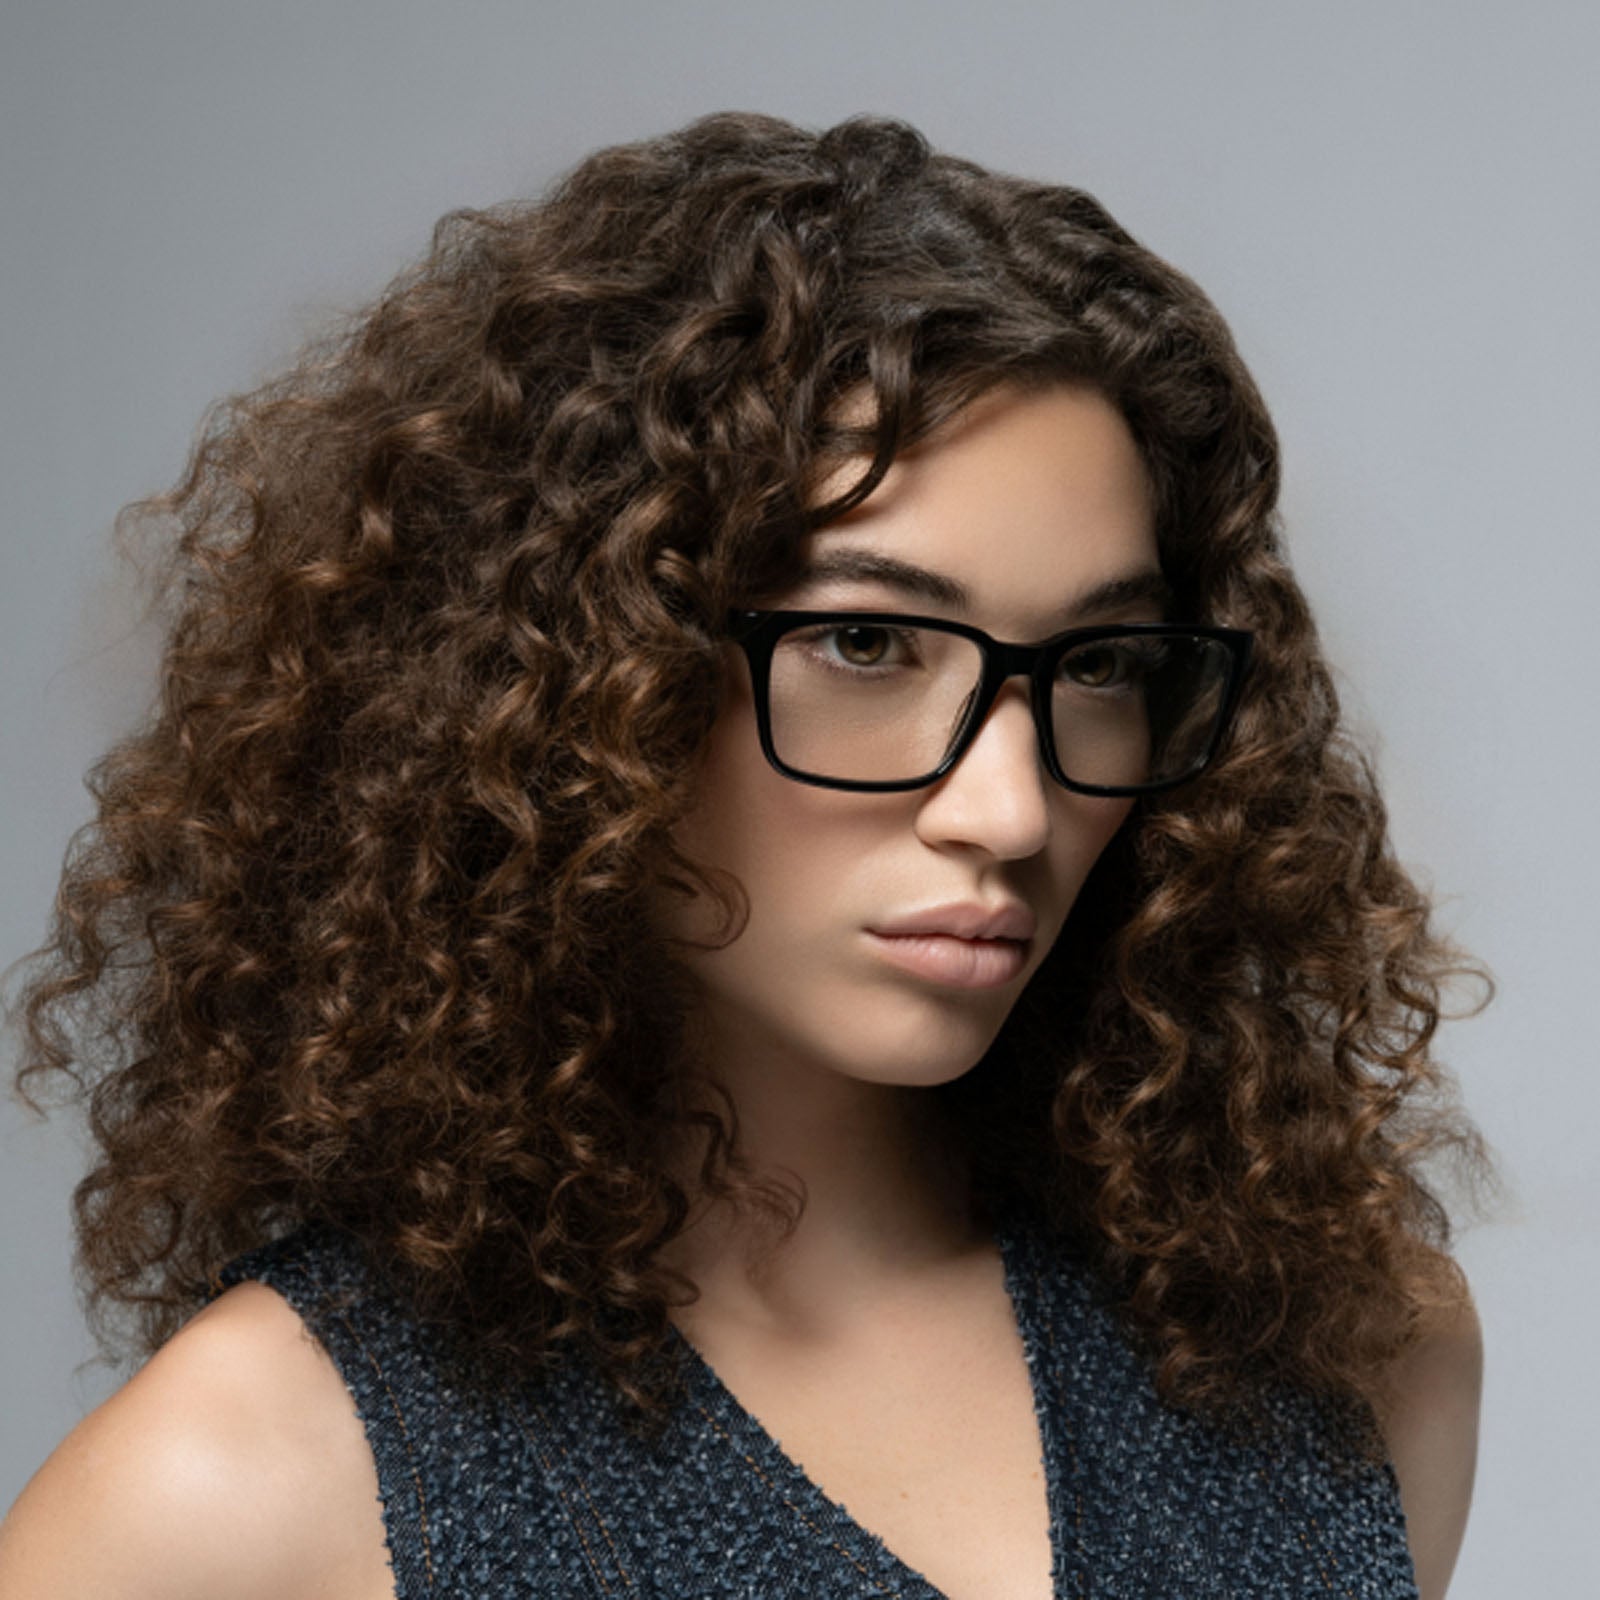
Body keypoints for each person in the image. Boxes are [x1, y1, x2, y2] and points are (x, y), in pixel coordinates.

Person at [0, 112, 1489, 1599]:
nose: (1010, 809)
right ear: (581, 685)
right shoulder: (243, 1490)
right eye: (864, 642)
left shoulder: (1347, 1356)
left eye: (1099, 665)